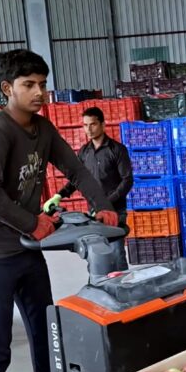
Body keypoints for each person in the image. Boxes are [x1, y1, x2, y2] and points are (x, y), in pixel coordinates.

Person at [0, 49, 118, 372]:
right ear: (7, 89)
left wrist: (101, 203)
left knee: (45, 330)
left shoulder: (43, 128)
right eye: (28, 85)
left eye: (42, 84)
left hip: (26, 249)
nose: (39, 93)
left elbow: (77, 169)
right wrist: (32, 222)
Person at [43, 107, 133, 271]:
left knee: (116, 252)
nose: (88, 129)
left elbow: (127, 181)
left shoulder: (117, 150)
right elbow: (76, 179)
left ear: (103, 125)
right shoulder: (84, 152)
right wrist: (59, 195)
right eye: (85, 125)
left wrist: (106, 204)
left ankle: (124, 288)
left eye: (92, 124)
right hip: (92, 211)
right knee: (97, 252)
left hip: (115, 211)